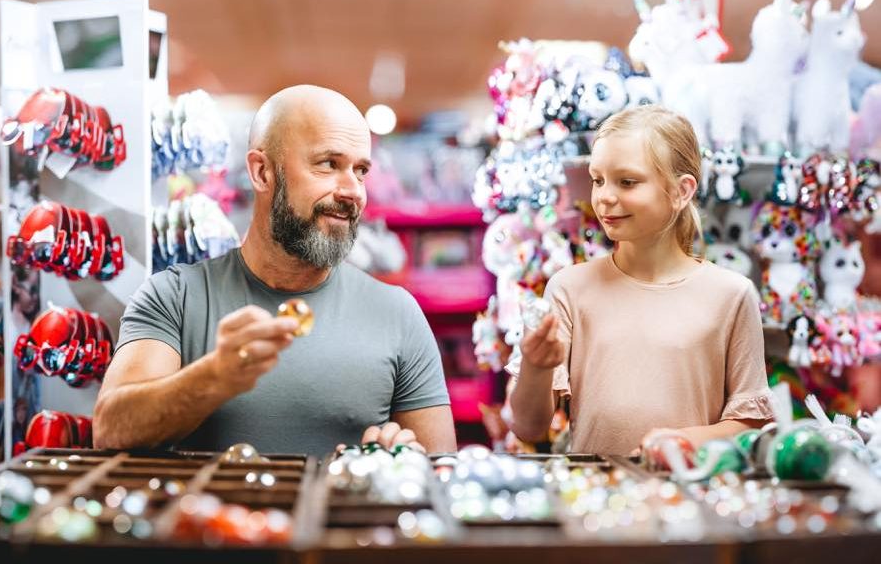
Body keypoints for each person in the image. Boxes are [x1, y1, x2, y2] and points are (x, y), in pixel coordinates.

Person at [93, 85, 456, 456]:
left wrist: (399, 455)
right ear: (262, 172)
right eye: (329, 164)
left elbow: (441, 471)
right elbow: (111, 428)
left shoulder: (397, 314)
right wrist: (213, 377)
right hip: (206, 516)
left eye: (360, 170)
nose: (353, 191)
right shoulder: (175, 296)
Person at [507, 105, 773, 455]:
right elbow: (529, 426)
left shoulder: (730, 294)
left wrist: (680, 444)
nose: (605, 197)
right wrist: (536, 367)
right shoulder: (569, 289)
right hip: (595, 498)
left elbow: (752, 425)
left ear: (682, 191)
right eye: (598, 179)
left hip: (692, 499)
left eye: (627, 182)